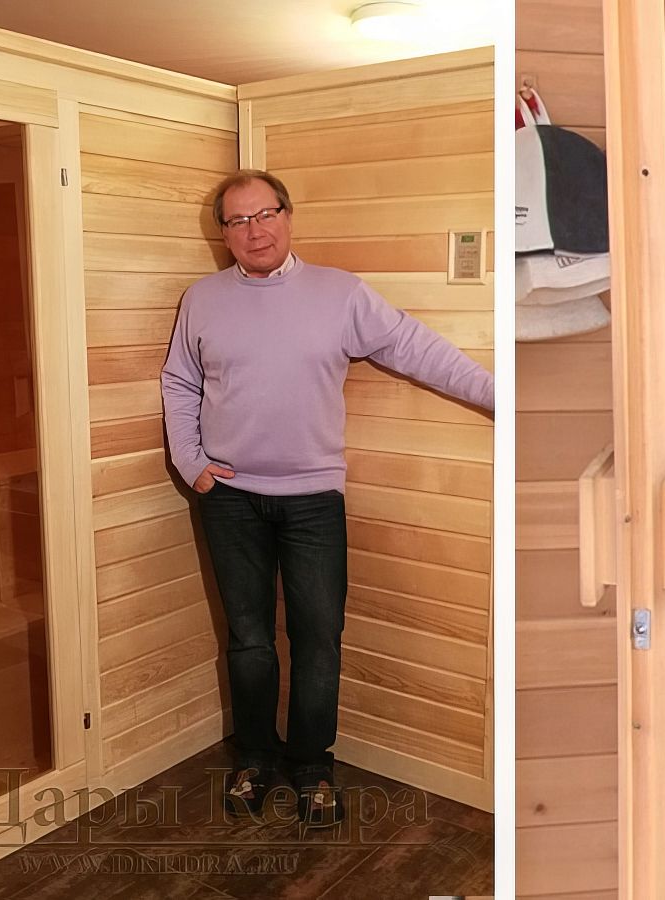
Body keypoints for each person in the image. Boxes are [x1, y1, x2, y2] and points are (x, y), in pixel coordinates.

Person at [161, 170, 495, 827]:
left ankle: (313, 767)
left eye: (266, 214)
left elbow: (414, 347)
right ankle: (255, 758)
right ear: (223, 233)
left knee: (318, 639)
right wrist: (191, 463)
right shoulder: (202, 299)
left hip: (313, 500)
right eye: (238, 220)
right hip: (228, 498)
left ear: (288, 216)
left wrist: (497, 394)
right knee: (249, 639)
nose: (255, 230)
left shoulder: (339, 294)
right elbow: (179, 381)